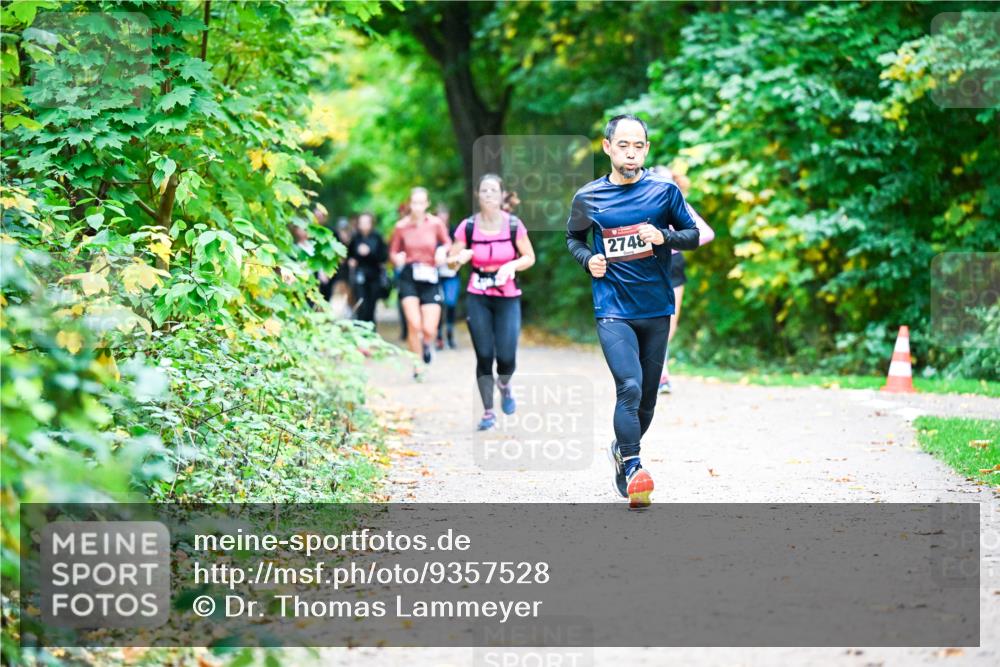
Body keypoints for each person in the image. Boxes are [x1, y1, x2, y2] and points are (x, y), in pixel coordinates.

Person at [566, 114, 700, 509]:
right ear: (607, 147)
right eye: (623, 145)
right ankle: (634, 465)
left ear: (646, 149)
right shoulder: (588, 197)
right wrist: (588, 259)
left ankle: (622, 450)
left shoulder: (664, 192)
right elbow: (572, 238)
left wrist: (665, 236)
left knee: (647, 403)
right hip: (612, 308)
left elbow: (692, 235)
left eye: (638, 145)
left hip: (656, 307)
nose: (631, 152)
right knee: (630, 386)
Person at [448, 174, 535, 431]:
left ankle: (505, 385)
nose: (488, 194)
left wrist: (512, 264)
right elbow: (451, 262)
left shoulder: (513, 225)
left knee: (506, 357)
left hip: (507, 295)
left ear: (501, 195)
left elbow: (529, 257)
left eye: (493, 190)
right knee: (484, 354)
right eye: (484, 190)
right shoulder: (468, 226)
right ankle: (488, 412)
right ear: (477, 195)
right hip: (478, 294)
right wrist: (459, 258)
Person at [650, 165, 716, 394]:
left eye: (670, 182)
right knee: (652, 319)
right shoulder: (641, 205)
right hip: (648, 266)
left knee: (670, 322)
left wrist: (675, 241)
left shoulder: (680, 207)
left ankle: (660, 370)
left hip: (674, 264)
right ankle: (658, 374)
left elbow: (707, 233)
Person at [389, 187, 451, 377]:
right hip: (409, 276)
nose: (417, 207)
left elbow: (448, 243)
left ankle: (426, 345)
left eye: (421, 203)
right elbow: (392, 251)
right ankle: (417, 364)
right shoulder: (401, 226)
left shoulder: (436, 224)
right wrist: (397, 258)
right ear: (409, 204)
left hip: (430, 275)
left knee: (429, 329)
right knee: (414, 324)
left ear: (427, 204)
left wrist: (442, 251)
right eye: (414, 203)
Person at [347, 212, 389, 324]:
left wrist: (369, 252)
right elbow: (349, 254)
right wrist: (351, 261)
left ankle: (371, 329)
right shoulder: (355, 238)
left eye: (366, 222)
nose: (364, 225)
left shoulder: (377, 237)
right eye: (361, 222)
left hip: (374, 275)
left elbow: (384, 257)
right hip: (359, 275)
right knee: (361, 302)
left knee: (371, 304)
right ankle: (360, 328)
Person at [435, 203, 461, 350]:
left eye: (444, 216)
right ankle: (439, 336)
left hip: (451, 274)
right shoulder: (431, 232)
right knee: (437, 305)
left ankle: (450, 333)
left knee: (451, 303)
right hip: (436, 275)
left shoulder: (455, 231)